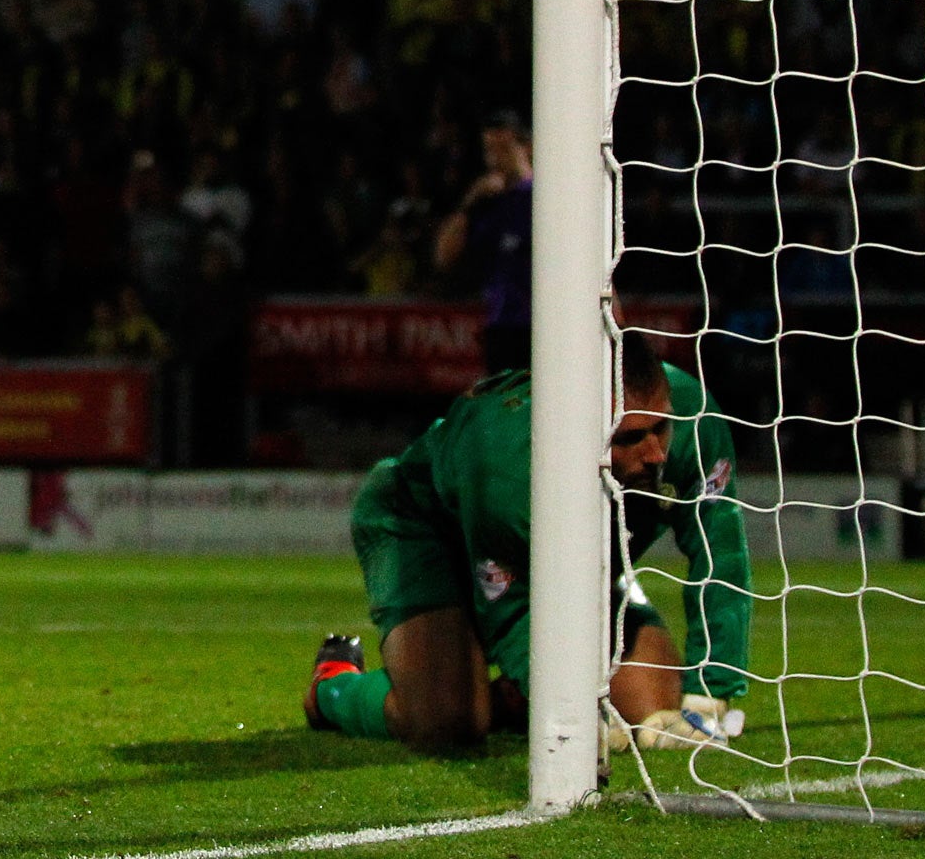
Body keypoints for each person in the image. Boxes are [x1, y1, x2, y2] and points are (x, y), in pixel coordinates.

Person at [304, 338, 750, 753]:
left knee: (650, 706)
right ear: (577, 429)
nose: (655, 454)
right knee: (448, 724)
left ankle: (492, 695)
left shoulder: (695, 419)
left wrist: (711, 690)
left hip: (554, 557)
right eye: (628, 438)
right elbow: (511, 601)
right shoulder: (511, 472)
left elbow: (720, 550)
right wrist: (563, 707)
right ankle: (334, 685)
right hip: (424, 525)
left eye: (660, 428)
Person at [433, 110, 533, 374]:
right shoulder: (489, 203)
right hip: (502, 327)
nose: (495, 157)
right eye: (489, 149)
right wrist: (470, 201)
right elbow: (443, 257)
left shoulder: (542, 196)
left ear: (527, 147)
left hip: (543, 326)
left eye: (503, 148)